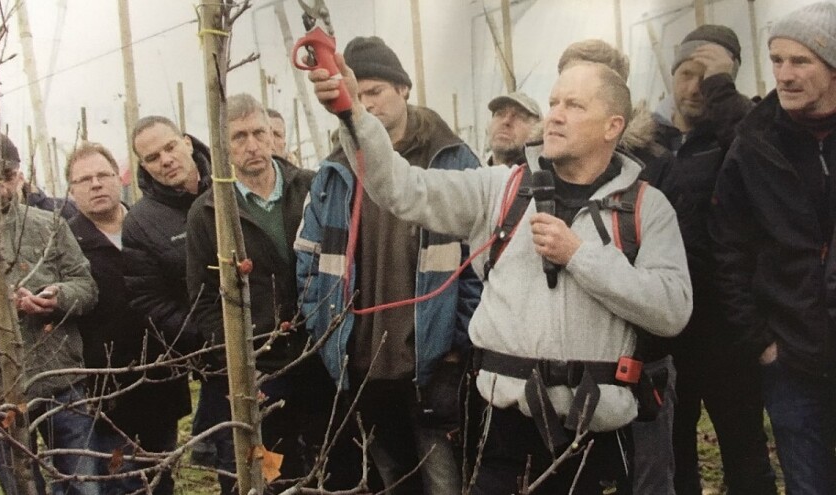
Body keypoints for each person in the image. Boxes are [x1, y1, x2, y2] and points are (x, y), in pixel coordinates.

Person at [308, 55, 692, 494]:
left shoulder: (646, 208)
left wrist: (580, 256)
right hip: (505, 436)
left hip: (597, 434)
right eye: (554, 102)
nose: (556, 116)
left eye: (575, 105)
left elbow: (672, 311)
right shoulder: (500, 188)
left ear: (612, 126)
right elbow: (403, 189)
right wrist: (354, 114)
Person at [295, 36, 482, 494]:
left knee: (446, 484)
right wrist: (329, 339)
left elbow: (480, 266)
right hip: (361, 368)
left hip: (431, 366)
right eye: (356, 94)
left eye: (374, 90)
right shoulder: (334, 172)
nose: (365, 103)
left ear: (404, 89)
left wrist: (456, 351)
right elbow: (308, 265)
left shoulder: (453, 161)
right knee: (391, 481)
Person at [710, 3, 836, 494]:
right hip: (790, 358)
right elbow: (728, 248)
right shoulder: (753, 145)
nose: (784, 74)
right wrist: (761, 343)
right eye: (776, 59)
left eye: (800, 62)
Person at [186, 93, 333, 494]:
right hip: (264, 364)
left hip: (322, 350)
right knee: (274, 466)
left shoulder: (311, 188)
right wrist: (240, 369)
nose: (251, 145)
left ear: (272, 136)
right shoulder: (209, 212)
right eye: (238, 137)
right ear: (222, 145)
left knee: (334, 457)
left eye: (258, 133)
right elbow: (205, 302)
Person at [652, 25, 776, 495]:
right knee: (674, 454)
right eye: (687, 73)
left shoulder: (743, 135)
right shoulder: (650, 142)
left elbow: (764, 159)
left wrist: (726, 96)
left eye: (710, 77)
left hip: (729, 327)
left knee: (745, 453)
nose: (695, 87)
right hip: (668, 329)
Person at [552, 38, 679, 495]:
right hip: (555, 372)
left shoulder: (655, 166)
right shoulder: (536, 172)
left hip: (638, 364)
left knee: (645, 479)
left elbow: (672, 274)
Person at [0, 132, 100, 495]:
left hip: (60, 381)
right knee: (21, 486)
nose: (4, 184)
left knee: (84, 485)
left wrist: (58, 297)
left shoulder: (48, 224)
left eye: (10, 174)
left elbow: (86, 286)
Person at [67, 142, 186, 494]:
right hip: (106, 392)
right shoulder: (67, 243)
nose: (96, 184)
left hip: (160, 380)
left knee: (160, 475)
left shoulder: (148, 224)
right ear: (72, 192)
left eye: (103, 175)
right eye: (84, 179)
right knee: (120, 481)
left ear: (119, 179)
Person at [122, 116, 203, 468]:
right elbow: (149, 301)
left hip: (278, 336)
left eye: (170, 147)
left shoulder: (232, 185)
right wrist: (207, 336)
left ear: (186, 141)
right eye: (153, 157)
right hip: (214, 355)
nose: (166, 160)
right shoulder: (141, 222)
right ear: (143, 166)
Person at [485, 91, 541, 166]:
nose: (506, 121)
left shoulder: (542, 176)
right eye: (500, 113)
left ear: (536, 131)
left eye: (519, 116)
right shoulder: (473, 174)